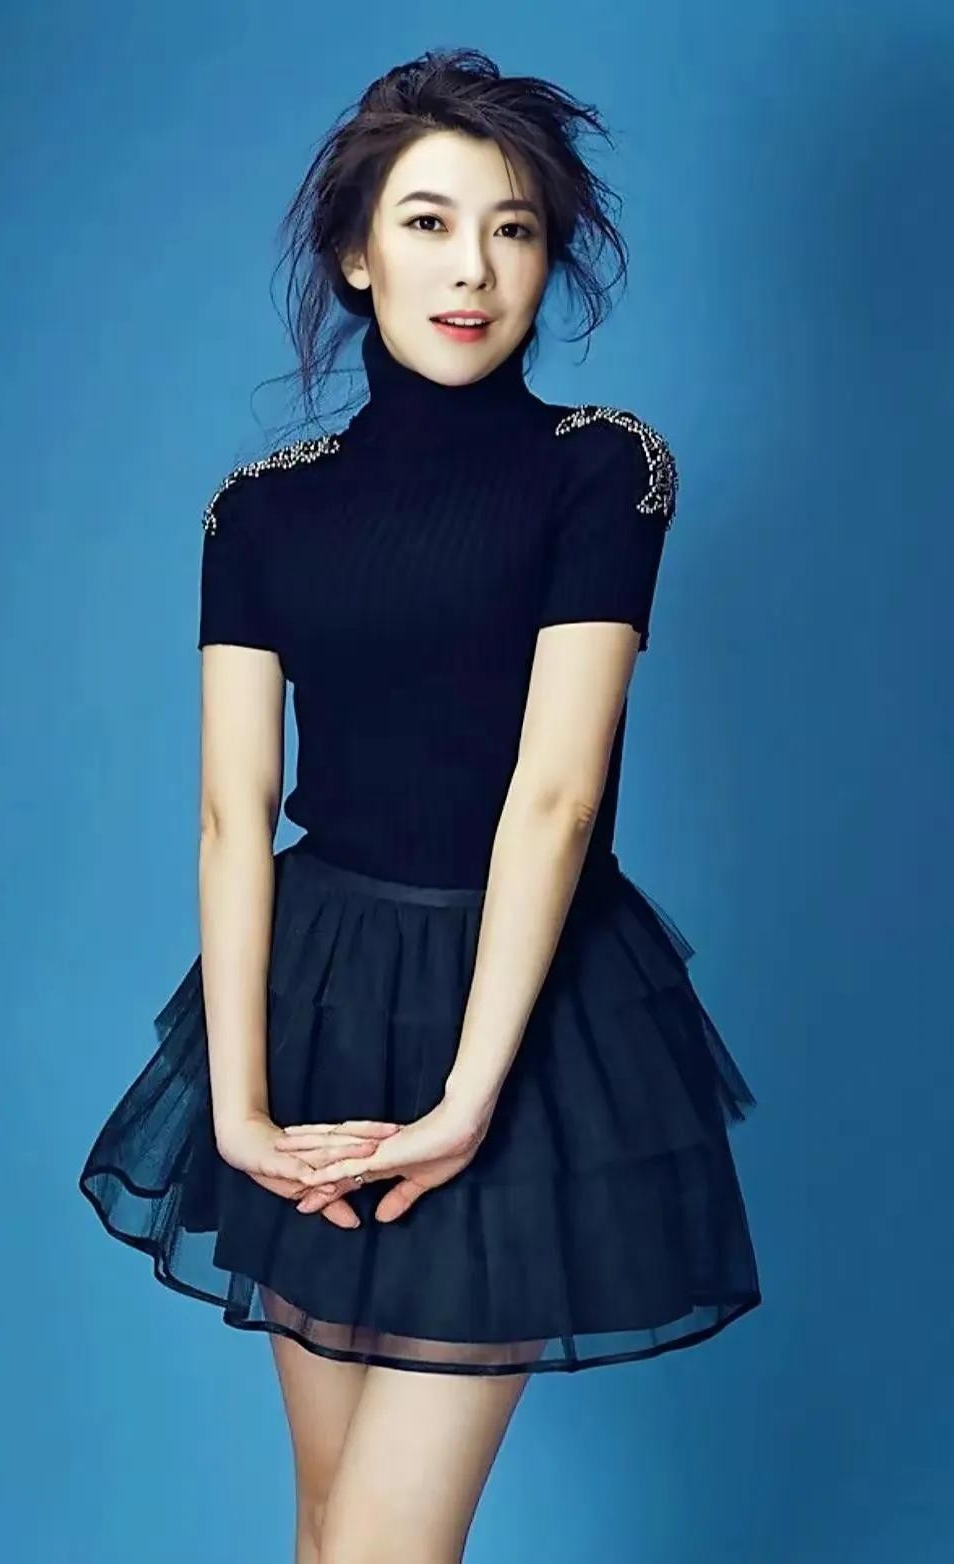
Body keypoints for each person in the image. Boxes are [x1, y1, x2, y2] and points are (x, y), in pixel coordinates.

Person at [79, 46, 761, 1564]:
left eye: (515, 229)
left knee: (387, 1545)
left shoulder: (602, 470)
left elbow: (556, 796)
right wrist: (241, 1107)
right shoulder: (261, 509)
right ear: (356, 252)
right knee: (331, 1529)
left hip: (520, 1007)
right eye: (431, 223)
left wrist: (466, 1100)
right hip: (315, 996)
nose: (473, 269)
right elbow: (233, 808)